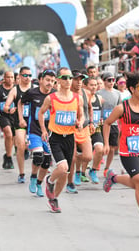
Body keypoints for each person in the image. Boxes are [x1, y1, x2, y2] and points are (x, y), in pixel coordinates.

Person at [102, 72, 139, 233]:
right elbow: (107, 123)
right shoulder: (122, 108)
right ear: (132, 89)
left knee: (138, 182)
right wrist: (107, 143)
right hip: (128, 151)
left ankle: (113, 177)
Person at [39, 67, 84, 213]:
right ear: (58, 80)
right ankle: (49, 181)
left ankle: (54, 199)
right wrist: (44, 130)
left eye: (70, 78)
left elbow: (81, 115)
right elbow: (41, 113)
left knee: (65, 173)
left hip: (70, 137)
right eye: (64, 78)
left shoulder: (77, 98)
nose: (68, 81)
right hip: (55, 137)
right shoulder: (51, 98)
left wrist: (80, 122)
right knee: (63, 167)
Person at [21, 70, 56, 197]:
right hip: (34, 130)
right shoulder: (31, 93)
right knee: (38, 156)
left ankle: (40, 184)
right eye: (47, 80)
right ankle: (33, 177)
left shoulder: (54, 95)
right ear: (40, 80)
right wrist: (20, 118)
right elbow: (20, 103)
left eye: (52, 81)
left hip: (50, 133)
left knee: (46, 161)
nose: (50, 83)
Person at [4, 66, 33, 183]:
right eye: (25, 75)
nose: (27, 78)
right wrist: (9, 110)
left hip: (33, 123)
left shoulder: (35, 89)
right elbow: (6, 106)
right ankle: (21, 173)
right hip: (19, 121)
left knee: (34, 147)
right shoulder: (15, 90)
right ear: (20, 76)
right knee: (20, 145)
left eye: (30, 75)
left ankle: (37, 171)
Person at [69, 70, 93, 192]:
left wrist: (92, 122)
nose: (79, 82)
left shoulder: (86, 93)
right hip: (70, 129)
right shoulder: (67, 94)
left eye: (80, 80)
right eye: (76, 79)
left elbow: (89, 107)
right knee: (72, 158)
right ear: (71, 80)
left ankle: (78, 168)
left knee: (88, 156)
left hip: (84, 127)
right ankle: (73, 178)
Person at [97, 72, 121, 177]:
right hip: (102, 123)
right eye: (109, 80)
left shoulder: (117, 93)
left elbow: (119, 108)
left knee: (111, 148)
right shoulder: (99, 93)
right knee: (101, 147)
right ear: (104, 81)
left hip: (114, 123)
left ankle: (107, 167)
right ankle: (96, 164)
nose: (111, 82)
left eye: (113, 80)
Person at [0, 71, 15, 169]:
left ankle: (7, 155)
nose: (10, 79)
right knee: (8, 134)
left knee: (12, 137)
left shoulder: (15, 89)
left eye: (11, 77)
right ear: (4, 78)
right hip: (2, 115)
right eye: (8, 77)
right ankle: (9, 157)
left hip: (14, 115)